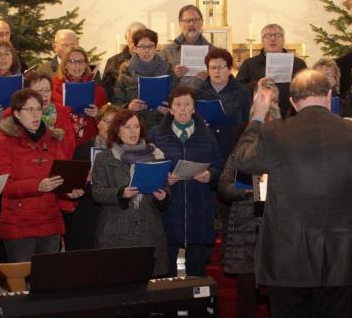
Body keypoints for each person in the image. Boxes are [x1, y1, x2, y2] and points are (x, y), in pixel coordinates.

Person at [234, 71, 352, 317]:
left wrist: (257, 115)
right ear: (329, 95)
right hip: (339, 253)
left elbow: (244, 162)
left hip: (289, 255)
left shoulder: (275, 132)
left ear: (292, 101)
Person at [0, 89, 83, 262]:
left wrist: (69, 192)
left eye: (38, 109)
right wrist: (37, 186)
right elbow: (4, 185)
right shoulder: (4, 142)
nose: (36, 114)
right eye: (29, 110)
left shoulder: (53, 140)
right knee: (23, 281)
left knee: (48, 280)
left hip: (50, 221)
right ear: (17, 114)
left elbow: (61, 176)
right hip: (19, 223)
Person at [218, 82, 280, 318]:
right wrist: (243, 191)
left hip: (275, 227)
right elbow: (224, 184)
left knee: (277, 291)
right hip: (244, 226)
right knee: (246, 292)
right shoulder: (242, 149)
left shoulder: (283, 149)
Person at [148, 86, 223, 277]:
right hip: (169, 207)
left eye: (187, 104)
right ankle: (170, 306)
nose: (182, 109)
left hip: (198, 206)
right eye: (178, 105)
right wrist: (163, 178)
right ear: (170, 109)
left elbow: (218, 167)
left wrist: (210, 175)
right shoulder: (157, 134)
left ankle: (197, 306)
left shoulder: (206, 134)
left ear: (194, 108)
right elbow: (148, 167)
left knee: (197, 267)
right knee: (167, 266)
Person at [91, 109, 169, 277]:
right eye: (127, 127)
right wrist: (121, 193)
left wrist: (163, 197)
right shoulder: (104, 158)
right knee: (117, 288)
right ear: (117, 130)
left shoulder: (155, 155)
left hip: (148, 231)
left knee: (148, 290)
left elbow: (166, 190)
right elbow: (97, 192)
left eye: (136, 127)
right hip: (115, 232)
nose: (134, 132)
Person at [63, 103, 121, 251]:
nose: (109, 126)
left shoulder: (124, 152)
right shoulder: (82, 149)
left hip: (114, 214)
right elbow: (71, 188)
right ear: (98, 123)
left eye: (113, 122)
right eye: (105, 121)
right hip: (87, 214)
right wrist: (84, 179)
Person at [236, 24, 307, 118]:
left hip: (292, 115)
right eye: (268, 36)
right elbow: (239, 89)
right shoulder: (249, 64)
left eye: (277, 35)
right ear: (262, 41)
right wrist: (258, 83)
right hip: (262, 116)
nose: (272, 39)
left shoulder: (298, 63)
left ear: (283, 40)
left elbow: (307, 89)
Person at [195, 47, 252, 161]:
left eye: (221, 67)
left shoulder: (242, 91)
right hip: (207, 148)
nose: (216, 71)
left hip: (234, 148)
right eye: (213, 68)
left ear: (230, 69)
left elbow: (248, 121)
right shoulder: (198, 92)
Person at [112, 28, 175, 130]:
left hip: (162, 125)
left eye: (150, 46)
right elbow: (116, 103)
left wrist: (171, 108)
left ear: (156, 48)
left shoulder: (167, 70)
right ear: (135, 48)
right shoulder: (126, 72)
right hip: (134, 127)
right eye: (142, 46)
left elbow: (176, 99)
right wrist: (128, 107)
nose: (146, 50)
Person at [50, 46, 108, 147]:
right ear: (65, 65)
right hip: (60, 140)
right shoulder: (53, 87)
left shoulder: (98, 91)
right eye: (72, 61)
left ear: (86, 65)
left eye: (81, 61)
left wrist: (97, 115)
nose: (77, 65)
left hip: (88, 142)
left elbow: (107, 121)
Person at [23, 71, 77, 157]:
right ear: (27, 93)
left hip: (55, 164)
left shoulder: (61, 111)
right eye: (39, 91)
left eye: (47, 90)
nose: (44, 95)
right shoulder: (18, 111)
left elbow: (69, 145)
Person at [159, 5, 212, 88]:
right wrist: (174, 75)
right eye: (187, 21)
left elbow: (224, 82)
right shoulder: (167, 51)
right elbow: (158, 81)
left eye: (195, 20)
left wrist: (210, 78)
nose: (191, 24)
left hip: (204, 97)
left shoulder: (213, 51)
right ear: (180, 24)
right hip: (177, 98)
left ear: (202, 23)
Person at [102, 22, 146, 99]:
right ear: (126, 38)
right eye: (133, 41)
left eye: (140, 41)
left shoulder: (155, 61)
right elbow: (106, 93)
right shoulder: (113, 62)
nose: (137, 45)